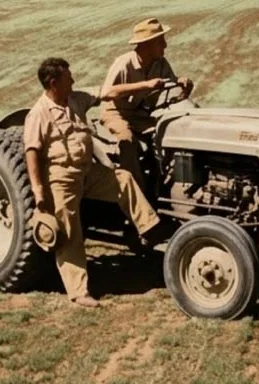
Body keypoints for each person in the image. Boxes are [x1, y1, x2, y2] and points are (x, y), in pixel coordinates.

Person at [24, 56, 163, 309]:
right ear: (54, 83)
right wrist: (38, 190)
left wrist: (146, 86)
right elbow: (32, 151)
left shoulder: (77, 99)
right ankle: (79, 292)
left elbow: (110, 93)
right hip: (61, 180)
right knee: (70, 234)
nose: (73, 80)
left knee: (123, 179)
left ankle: (150, 228)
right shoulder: (39, 114)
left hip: (89, 172)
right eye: (68, 78)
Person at [100, 18, 194, 188]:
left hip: (141, 115)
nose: (165, 45)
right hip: (117, 113)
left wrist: (182, 82)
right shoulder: (124, 63)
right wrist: (144, 85)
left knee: (167, 135)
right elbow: (107, 93)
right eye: (161, 42)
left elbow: (169, 83)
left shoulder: (160, 63)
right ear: (146, 45)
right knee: (127, 142)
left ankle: (164, 184)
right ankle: (135, 191)